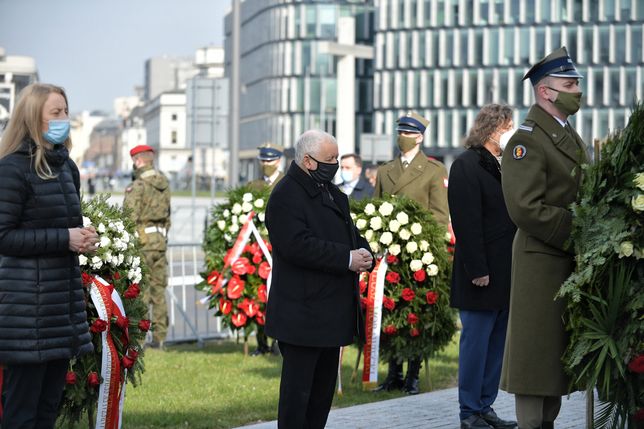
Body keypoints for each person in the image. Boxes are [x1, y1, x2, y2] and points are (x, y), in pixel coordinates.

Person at [0, 83, 98, 428]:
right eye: (55, 113)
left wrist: (83, 237)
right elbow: (4, 236)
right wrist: (64, 238)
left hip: (60, 308)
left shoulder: (66, 167)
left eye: (66, 112)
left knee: (47, 409)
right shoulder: (12, 168)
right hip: (27, 313)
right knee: (21, 412)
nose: (63, 119)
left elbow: (65, 226)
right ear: (32, 119)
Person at [500, 47, 587, 429]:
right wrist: (580, 229)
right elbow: (525, 207)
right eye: (569, 85)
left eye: (576, 84)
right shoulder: (528, 139)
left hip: (563, 260)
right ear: (545, 92)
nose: (577, 91)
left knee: (553, 360)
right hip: (542, 260)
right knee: (536, 359)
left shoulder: (567, 135)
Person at [265, 129, 373, 428]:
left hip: (330, 312)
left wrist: (363, 252)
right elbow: (296, 246)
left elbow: (349, 234)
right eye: (330, 159)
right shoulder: (286, 195)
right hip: (302, 314)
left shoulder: (331, 192)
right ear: (309, 161)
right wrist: (346, 258)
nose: (336, 163)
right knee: (297, 397)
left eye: (337, 158)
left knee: (321, 397)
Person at [448, 104, 518, 429]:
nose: (512, 130)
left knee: (496, 345)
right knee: (476, 344)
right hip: (480, 274)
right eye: (508, 125)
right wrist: (478, 268)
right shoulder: (466, 165)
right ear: (493, 128)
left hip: (505, 273)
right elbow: (466, 222)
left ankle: (485, 405)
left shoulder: (501, 165)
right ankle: (468, 411)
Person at [373, 110, 449, 395]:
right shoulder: (384, 170)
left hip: (419, 254)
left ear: (420, 136)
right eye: (399, 132)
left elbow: (440, 215)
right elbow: (378, 210)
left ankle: (413, 375)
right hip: (391, 255)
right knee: (390, 310)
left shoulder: (433, 170)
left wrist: (434, 251)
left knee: (415, 313)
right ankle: (393, 373)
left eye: (407, 133)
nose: (402, 137)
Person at [123, 145, 171, 349]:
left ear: (139, 161)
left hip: (142, 243)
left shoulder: (138, 186)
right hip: (159, 242)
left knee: (141, 292)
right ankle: (160, 337)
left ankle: (139, 338)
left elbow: (128, 217)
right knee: (159, 290)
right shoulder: (164, 183)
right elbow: (168, 215)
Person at [248, 143, 284, 356]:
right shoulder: (253, 185)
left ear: (278, 160)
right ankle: (261, 343)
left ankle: (280, 342)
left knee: (279, 297)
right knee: (258, 295)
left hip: (279, 249)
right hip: (258, 250)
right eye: (262, 161)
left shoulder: (287, 182)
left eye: (269, 161)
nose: (266, 164)